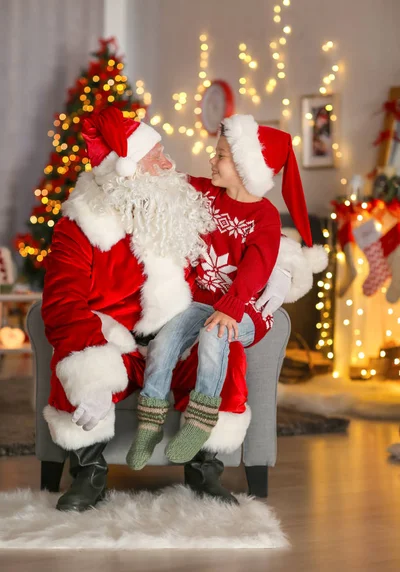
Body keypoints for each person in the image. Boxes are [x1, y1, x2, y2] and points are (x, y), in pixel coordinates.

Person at [41, 107, 324, 512]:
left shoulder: (180, 205)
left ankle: (204, 468)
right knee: (76, 362)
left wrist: (286, 267)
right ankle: (89, 473)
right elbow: (62, 303)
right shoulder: (80, 225)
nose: (169, 163)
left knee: (226, 352)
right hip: (115, 339)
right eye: (155, 156)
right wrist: (92, 376)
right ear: (127, 171)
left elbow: (251, 241)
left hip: (179, 331)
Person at [126, 114, 327, 473]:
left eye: (220, 155)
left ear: (248, 166)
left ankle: (201, 420)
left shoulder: (264, 217)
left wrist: (232, 309)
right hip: (205, 303)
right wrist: (154, 165)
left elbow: (256, 269)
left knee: (215, 335)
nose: (211, 160)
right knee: (164, 343)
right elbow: (172, 183)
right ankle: (150, 421)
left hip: (246, 309)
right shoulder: (207, 193)